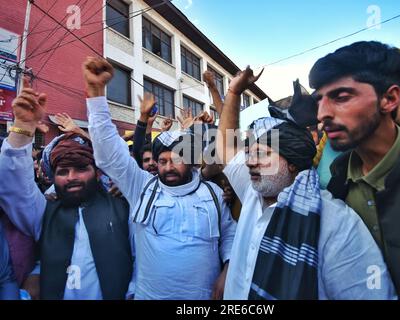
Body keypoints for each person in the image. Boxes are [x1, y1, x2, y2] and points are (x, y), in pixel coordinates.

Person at [217, 67, 396, 300]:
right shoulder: (252, 192)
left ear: (292, 163)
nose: (250, 162)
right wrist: (233, 92)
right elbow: (224, 149)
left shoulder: (336, 222)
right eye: (249, 154)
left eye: (261, 154)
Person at [82, 57, 236, 300]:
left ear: (191, 160)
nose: (167, 167)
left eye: (175, 159)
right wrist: (96, 93)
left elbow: (229, 235)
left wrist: (228, 270)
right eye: (162, 161)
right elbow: (108, 154)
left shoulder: (213, 194)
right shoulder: (142, 187)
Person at [309, 39, 400, 298]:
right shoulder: (337, 185)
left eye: (340, 97)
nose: (322, 114)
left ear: (390, 98)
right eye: (319, 101)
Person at [0, 79, 134, 299]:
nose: (71, 177)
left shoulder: (124, 209)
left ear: (97, 171)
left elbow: (142, 269)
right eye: (63, 171)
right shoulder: (44, 212)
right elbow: (12, 184)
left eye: (81, 168)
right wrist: (22, 128)